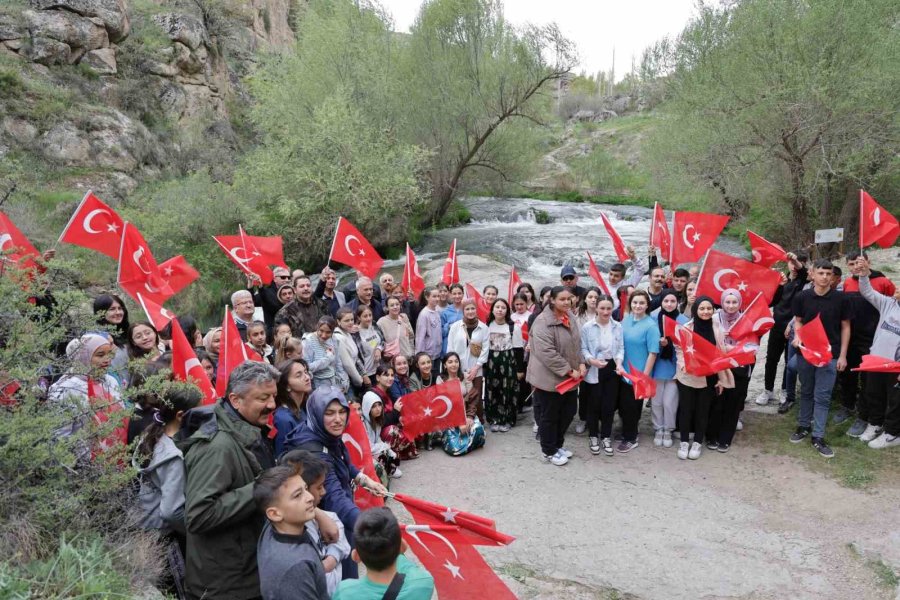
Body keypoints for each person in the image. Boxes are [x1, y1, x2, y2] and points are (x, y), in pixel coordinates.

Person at [181, 361, 280, 600]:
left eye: (274, 396)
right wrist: (261, 488)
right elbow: (199, 515)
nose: (272, 405)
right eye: (263, 398)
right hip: (226, 587)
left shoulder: (249, 429)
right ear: (236, 400)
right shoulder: (217, 447)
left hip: (249, 572)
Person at [283, 386, 388, 579]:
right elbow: (334, 497)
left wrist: (363, 479)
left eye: (342, 412)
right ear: (315, 413)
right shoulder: (314, 451)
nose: (338, 419)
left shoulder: (324, 434)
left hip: (340, 517)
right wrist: (368, 524)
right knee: (344, 581)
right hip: (329, 526)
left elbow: (341, 460)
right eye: (329, 413)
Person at [134, 386, 202, 599]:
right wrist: (195, 532)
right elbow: (171, 511)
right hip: (165, 537)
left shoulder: (152, 433)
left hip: (146, 527)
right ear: (181, 415)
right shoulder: (173, 455)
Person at [790, 259, 851, 458]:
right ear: (813, 274)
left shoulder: (841, 299)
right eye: (821, 273)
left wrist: (842, 355)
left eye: (828, 273)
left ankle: (818, 436)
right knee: (806, 391)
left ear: (833, 276)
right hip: (806, 352)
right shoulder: (802, 297)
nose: (825, 277)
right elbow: (798, 322)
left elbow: (846, 327)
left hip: (829, 355)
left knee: (822, 396)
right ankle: (803, 426)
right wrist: (798, 336)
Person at [527, 286, 586, 466]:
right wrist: (569, 370)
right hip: (549, 379)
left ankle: (558, 445)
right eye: (562, 299)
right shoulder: (542, 322)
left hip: (570, 378)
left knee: (568, 412)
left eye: (569, 299)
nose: (566, 302)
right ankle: (548, 451)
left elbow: (577, 343)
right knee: (550, 416)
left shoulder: (571, 317)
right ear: (552, 300)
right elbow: (547, 353)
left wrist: (582, 362)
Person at [253, 465, 328, 600]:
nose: (310, 497)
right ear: (274, 514)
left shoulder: (273, 527)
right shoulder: (295, 567)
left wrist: (319, 514)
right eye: (297, 495)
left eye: (305, 489)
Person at [840, 251, 896, 431]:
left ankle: (864, 416)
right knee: (848, 374)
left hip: (872, 339)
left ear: (867, 262)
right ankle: (847, 405)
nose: (856, 266)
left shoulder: (883, 282)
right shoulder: (847, 282)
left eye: (859, 262)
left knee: (868, 379)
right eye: (852, 263)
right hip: (850, 336)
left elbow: (891, 306)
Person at [48, 333, 125, 462]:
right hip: (84, 466)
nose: (107, 359)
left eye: (109, 354)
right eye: (100, 355)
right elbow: (60, 437)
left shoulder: (110, 380)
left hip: (116, 457)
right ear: (82, 356)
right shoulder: (64, 389)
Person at [674, 296, 734, 461]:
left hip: (709, 376)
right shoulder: (686, 328)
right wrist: (683, 365)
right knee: (686, 409)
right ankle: (685, 442)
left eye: (709, 308)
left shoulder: (717, 327)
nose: (706, 311)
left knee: (703, 410)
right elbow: (679, 349)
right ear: (696, 310)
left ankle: (698, 442)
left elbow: (721, 350)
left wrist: (740, 351)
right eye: (702, 308)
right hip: (688, 375)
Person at [332, 507, 435, 600]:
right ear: (401, 547)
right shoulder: (423, 582)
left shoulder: (345, 593)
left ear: (356, 556)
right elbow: (406, 565)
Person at [296, 453, 352, 595]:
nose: (324, 492)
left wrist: (331, 559)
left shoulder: (323, 516)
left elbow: (340, 538)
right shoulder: (292, 530)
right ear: (304, 490)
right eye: (319, 487)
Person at [708, 289, 756, 452]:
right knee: (717, 403)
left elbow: (752, 348)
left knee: (733, 404)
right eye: (727, 302)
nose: (730, 305)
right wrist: (722, 339)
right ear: (722, 302)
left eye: (734, 302)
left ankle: (725, 438)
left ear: (739, 303)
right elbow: (706, 341)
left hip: (738, 368)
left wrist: (729, 348)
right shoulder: (714, 318)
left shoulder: (746, 321)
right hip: (718, 367)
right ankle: (712, 436)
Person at [757, 252, 807, 408]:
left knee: (788, 361)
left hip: (794, 327)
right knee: (771, 359)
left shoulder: (803, 280)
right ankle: (768, 390)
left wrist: (795, 260)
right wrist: (778, 285)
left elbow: (802, 271)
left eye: (797, 263)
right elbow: (772, 301)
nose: (793, 265)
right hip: (777, 325)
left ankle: (785, 390)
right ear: (787, 264)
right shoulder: (782, 280)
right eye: (791, 262)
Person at [581, 294, 624, 456]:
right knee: (593, 403)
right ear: (596, 308)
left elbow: (621, 348)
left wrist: (619, 364)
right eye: (602, 308)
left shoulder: (618, 326)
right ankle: (593, 435)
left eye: (608, 308)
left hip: (612, 366)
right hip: (594, 366)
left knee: (609, 404)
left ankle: (606, 435)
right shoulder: (587, 327)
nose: (606, 312)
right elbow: (583, 349)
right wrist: (591, 360)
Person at [650, 289, 687, 448]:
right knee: (656, 400)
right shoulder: (652, 318)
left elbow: (687, 346)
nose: (669, 304)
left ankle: (668, 429)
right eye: (666, 301)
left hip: (675, 365)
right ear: (661, 302)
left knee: (670, 401)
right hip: (657, 364)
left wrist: (671, 344)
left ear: (677, 302)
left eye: (672, 301)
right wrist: (658, 343)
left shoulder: (684, 320)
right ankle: (658, 427)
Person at [485, 298, 525, 433]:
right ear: (492, 310)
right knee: (492, 391)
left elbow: (519, 350)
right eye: (497, 307)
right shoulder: (487, 325)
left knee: (508, 391)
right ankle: (494, 419)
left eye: (503, 307)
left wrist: (520, 370)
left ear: (507, 310)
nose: (500, 310)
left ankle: (507, 419)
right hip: (491, 364)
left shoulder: (513, 327)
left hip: (508, 363)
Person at [446, 299, 489, 423]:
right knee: (459, 396)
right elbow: (450, 348)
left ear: (476, 309)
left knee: (476, 396)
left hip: (476, 369)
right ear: (463, 311)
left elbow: (485, 350)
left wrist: (476, 368)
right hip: (457, 368)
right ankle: (460, 421)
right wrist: (453, 367)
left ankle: (478, 422)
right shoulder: (455, 327)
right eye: (467, 309)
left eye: (473, 308)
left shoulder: (483, 328)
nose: (470, 312)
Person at [438, 351, 486, 456]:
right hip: (449, 416)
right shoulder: (440, 379)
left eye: (456, 361)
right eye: (450, 362)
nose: (454, 364)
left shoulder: (464, 376)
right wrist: (459, 422)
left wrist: (469, 417)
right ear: (445, 365)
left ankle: (468, 442)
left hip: (466, 412)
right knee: (454, 447)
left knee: (477, 430)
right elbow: (445, 404)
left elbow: (473, 398)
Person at [370, 361, 418, 462]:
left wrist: (399, 417)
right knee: (392, 430)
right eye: (386, 375)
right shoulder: (373, 395)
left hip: (389, 424)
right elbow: (380, 421)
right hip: (376, 433)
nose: (390, 378)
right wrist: (396, 412)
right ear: (378, 378)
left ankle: (398, 453)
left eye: (392, 375)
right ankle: (390, 455)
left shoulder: (388, 391)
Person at [361, 375, 402, 480]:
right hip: (363, 456)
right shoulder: (363, 423)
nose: (378, 409)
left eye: (379, 405)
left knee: (386, 450)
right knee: (382, 453)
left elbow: (376, 438)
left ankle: (390, 469)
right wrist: (385, 447)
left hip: (373, 448)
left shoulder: (376, 419)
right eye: (373, 406)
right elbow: (368, 448)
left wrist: (387, 448)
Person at [274, 359, 312, 458]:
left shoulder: (304, 408)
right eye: (298, 375)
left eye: (305, 372)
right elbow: (283, 457)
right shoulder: (283, 419)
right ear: (287, 386)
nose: (307, 377)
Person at [302, 316, 348, 391]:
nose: (324, 335)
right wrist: (327, 359)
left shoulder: (333, 339)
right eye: (321, 331)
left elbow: (337, 362)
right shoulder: (308, 341)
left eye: (328, 332)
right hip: (317, 384)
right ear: (317, 327)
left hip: (333, 382)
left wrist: (343, 380)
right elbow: (307, 367)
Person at [93, 293, 130, 385]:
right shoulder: (97, 337)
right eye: (112, 309)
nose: (118, 312)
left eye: (120, 308)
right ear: (100, 312)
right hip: (110, 387)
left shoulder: (125, 332)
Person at [334, 307, 369, 397]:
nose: (350, 322)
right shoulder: (339, 338)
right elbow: (347, 364)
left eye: (352, 319)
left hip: (353, 377)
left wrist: (363, 374)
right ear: (338, 322)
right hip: (345, 382)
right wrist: (359, 380)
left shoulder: (347, 333)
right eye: (346, 320)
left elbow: (355, 357)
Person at [250, 266, 293, 335]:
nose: (287, 279)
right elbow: (253, 301)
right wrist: (251, 286)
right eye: (283, 277)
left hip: (292, 330)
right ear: (275, 279)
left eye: (289, 277)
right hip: (274, 332)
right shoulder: (266, 292)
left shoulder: (293, 291)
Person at [607, 245, 647, 310]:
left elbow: (641, 270)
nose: (612, 277)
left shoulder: (627, 285)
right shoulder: (602, 286)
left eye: (616, 276)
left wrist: (634, 258)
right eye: (611, 274)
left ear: (623, 277)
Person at [378, 296, 415, 362]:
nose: (395, 307)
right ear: (387, 308)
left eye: (397, 304)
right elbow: (379, 343)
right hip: (392, 361)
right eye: (392, 305)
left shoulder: (404, 317)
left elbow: (411, 336)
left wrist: (411, 353)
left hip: (407, 359)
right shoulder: (381, 322)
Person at [415, 287, 442, 369]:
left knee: (436, 378)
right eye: (434, 296)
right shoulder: (424, 314)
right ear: (427, 297)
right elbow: (420, 337)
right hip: (428, 355)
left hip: (437, 352)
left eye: (438, 296)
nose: (437, 299)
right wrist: (420, 356)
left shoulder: (437, 311)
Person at [440, 283, 465, 356]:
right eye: (454, 294)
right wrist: (448, 326)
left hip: (463, 345)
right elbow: (441, 333)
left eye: (459, 293)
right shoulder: (445, 312)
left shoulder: (467, 309)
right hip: (448, 345)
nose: (457, 296)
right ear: (450, 295)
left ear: (463, 294)